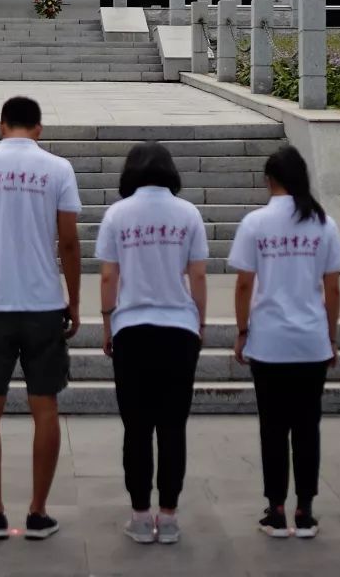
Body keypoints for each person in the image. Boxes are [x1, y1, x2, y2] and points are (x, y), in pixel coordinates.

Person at [0, 95, 82, 541]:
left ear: (1, 125)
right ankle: (39, 512)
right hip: (44, 304)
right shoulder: (58, 169)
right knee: (45, 406)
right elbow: (68, 243)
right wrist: (75, 299)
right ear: (39, 129)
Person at [228, 144, 340, 540]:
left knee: (273, 427)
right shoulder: (323, 224)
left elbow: (244, 284)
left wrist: (242, 330)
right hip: (311, 340)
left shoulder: (256, 223)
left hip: (269, 340)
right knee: (307, 426)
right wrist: (331, 336)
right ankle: (306, 510)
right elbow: (333, 288)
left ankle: (276, 510)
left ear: (268, 179)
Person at [95, 143, 208, 546]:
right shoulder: (188, 213)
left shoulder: (117, 215)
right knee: (173, 426)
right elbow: (197, 276)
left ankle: (141, 516)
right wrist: (200, 321)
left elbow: (109, 278)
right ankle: (170, 515)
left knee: (137, 427)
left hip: (132, 331)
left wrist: (107, 324)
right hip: (178, 329)